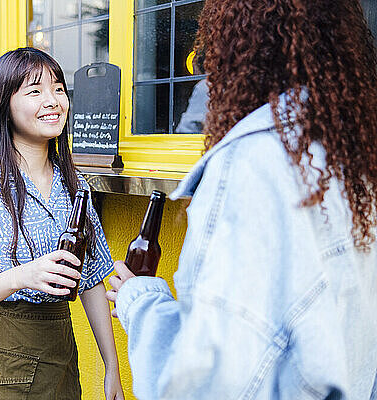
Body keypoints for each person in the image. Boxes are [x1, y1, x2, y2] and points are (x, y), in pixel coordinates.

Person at [106, 1, 377, 399]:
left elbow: (202, 385)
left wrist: (139, 300)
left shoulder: (254, 164)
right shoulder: (354, 152)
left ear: (236, 45)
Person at [0, 47, 124, 399]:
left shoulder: (74, 185)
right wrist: (22, 276)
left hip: (58, 358)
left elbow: (93, 281)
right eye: (34, 91)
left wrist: (112, 368)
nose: (52, 101)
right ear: (4, 104)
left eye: (58, 89)